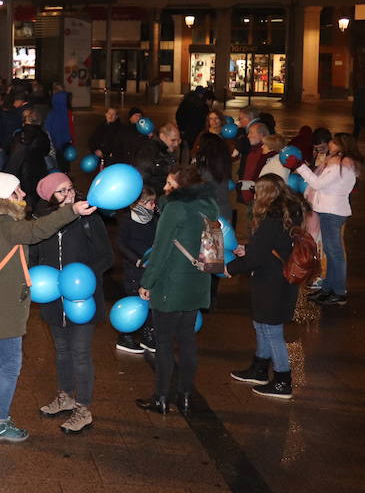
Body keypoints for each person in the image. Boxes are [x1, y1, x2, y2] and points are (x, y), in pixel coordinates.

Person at [0, 172, 97, 442]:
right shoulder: (4, 224)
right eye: (18, 190)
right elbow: (35, 231)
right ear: (6, 196)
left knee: (0, 359)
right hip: (3, 303)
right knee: (11, 364)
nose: (24, 194)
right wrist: (72, 210)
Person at [29, 173, 111, 435]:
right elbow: (36, 256)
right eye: (61, 191)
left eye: (70, 188)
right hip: (53, 296)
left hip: (83, 298)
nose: (69, 194)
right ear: (50, 197)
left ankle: (83, 408)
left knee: (80, 352)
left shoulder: (89, 219)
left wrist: (83, 277)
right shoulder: (42, 222)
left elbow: (107, 257)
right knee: (62, 350)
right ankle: (65, 397)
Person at [136, 165, 218, 415]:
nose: (164, 188)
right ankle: (184, 396)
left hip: (171, 285)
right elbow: (213, 248)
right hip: (198, 282)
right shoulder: (210, 205)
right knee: (187, 341)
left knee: (163, 343)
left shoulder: (175, 210)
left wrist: (146, 282)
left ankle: (161, 397)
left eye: (170, 184)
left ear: (182, 187)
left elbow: (160, 251)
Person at [227, 176, 304, 399]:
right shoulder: (290, 214)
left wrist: (228, 268)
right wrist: (249, 248)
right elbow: (269, 247)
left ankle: (282, 380)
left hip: (271, 282)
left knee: (271, 330)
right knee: (261, 323)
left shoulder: (272, 220)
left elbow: (255, 258)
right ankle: (259, 368)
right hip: (279, 280)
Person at [293, 132, 360, 306]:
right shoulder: (338, 163)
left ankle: (338, 291)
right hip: (328, 210)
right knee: (331, 253)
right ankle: (329, 288)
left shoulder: (341, 165)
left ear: (341, 145)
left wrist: (300, 166)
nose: (330, 143)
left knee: (334, 253)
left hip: (333, 212)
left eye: (334, 142)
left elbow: (317, 183)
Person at [114, 186, 158, 355]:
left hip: (150, 266)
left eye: (154, 202)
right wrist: (137, 261)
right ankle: (126, 335)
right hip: (134, 268)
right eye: (150, 203)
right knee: (134, 300)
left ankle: (148, 335)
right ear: (138, 203)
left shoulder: (153, 220)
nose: (153, 206)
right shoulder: (127, 220)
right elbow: (121, 244)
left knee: (149, 301)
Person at [5, 108, 51, 209]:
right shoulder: (43, 136)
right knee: (36, 196)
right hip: (37, 169)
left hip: (19, 170)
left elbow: (9, 150)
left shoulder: (17, 135)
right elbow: (46, 151)